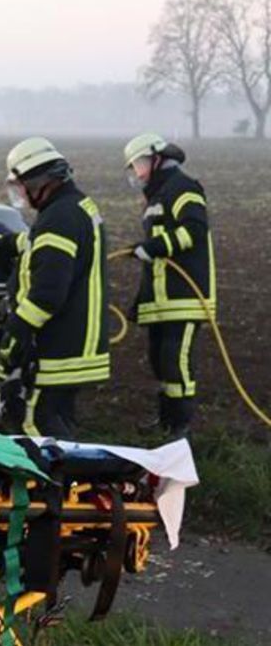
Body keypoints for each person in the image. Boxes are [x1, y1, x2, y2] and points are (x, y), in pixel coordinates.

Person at [0, 137, 109, 438]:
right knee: (59, 421)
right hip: (77, 343)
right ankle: (77, 480)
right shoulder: (74, 207)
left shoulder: (57, 218)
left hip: (59, 347)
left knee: (36, 425)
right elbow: (52, 253)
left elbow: (47, 293)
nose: (22, 195)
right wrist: (16, 243)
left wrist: (17, 330)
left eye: (22, 186)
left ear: (40, 182)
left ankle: (57, 484)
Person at [123, 133, 216, 437]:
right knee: (160, 363)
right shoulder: (157, 196)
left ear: (157, 159)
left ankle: (180, 428)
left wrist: (154, 246)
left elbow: (194, 230)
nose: (137, 172)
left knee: (176, 365)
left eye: (139, 164)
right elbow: (157, 258)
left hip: (185, 298)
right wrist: (141, 300)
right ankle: (166, 422)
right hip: (160, 302)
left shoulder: (183, 187)